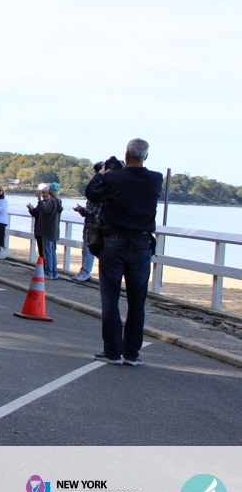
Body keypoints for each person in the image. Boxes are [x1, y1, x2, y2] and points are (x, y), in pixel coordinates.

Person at [85, 139, 162, 366]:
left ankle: (112, 351)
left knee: (111, 299)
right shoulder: (155, 179)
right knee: (137, 301)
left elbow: (92, 194)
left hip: (114, 242)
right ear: (145, 157)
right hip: (141, 244)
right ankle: (132, 353)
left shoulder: (113, 178)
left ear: (126, 154)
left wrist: (101, 173)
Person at [72, 162, 105, 281]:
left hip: (95, 228)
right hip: (88, 226)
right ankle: (83, 271)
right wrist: (82, 211)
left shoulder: (100, 195)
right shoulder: (93, 195)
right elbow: (89, 213)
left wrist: (83, 210)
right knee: (85, 249)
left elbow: (96, 215)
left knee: (89, 250)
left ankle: (86, 272)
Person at [27, 183, 62, 279]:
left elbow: (45, 210)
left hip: (47, 230)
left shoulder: (52, 201)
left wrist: (39, 200)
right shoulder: (58, 201)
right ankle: (54, 272)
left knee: (47, 252)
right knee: (52, 252)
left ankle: (49, 272)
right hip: (54, 230)